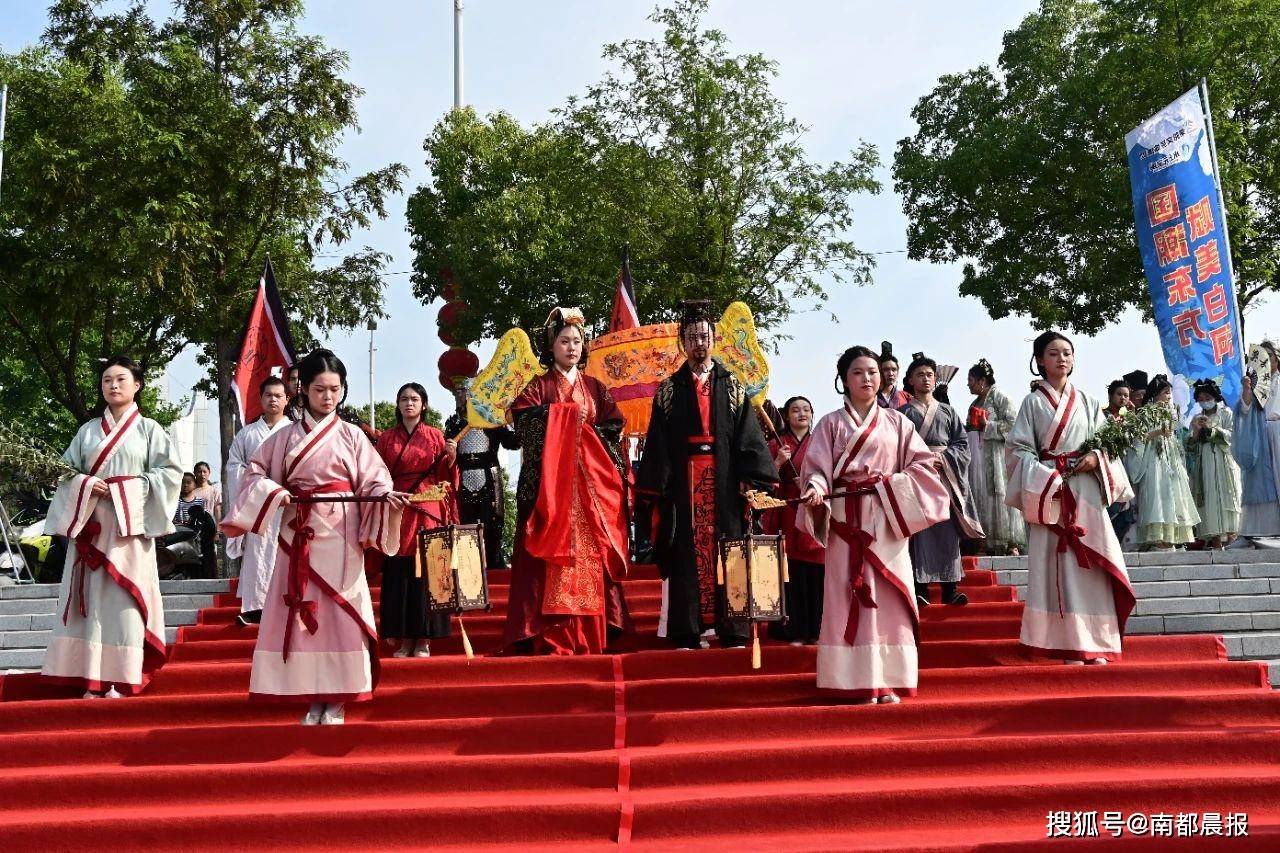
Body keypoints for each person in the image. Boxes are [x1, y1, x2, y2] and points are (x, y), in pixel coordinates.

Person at [222, 348, 409, 725]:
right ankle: (312, 695)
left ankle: (338, 696)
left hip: (341, 534)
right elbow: (253, 474)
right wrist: (275, 492)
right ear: (303, 390)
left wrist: (384, 496)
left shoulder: (353, 435)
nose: (328, 397)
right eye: (320, 389)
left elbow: (374, 479)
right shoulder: (284, 437)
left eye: (335, 390)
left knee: (341, 613)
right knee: (302, 612)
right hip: (297, 532)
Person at [799, 345, 949, 703]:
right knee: (846, 594)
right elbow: (816, 469)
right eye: (857, 372)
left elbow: (922, 465)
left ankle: (889, 678)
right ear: (843, 380)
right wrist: (816, 489)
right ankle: (851, 679)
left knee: (888, 597)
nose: (866, 378)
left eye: (872, 372)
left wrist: (892, 484)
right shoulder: (829, 423)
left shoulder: (898, 422)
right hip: (845, 518)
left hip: (886, 516)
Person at [635, 300, 779, 650]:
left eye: (704, 336)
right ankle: (687, 630)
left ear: (714, 339)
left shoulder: (733, 386)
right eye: (692, 337)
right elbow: (659, 443)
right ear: (682, 342)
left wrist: (750, 479)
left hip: (725, 479)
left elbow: (747, 436)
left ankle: (733, 629)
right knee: (686, 551)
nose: (699, 343)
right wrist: (659, 487)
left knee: (729, 546)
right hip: (684, 482)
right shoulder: (669, 389)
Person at [40, 356, 183, 697]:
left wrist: (124, 490)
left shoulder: (150, 430)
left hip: (128, 529)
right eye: (107, 380)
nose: (113, 385)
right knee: (89, 601)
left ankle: (121, 676)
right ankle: (87, 677)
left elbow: (170, 475)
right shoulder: (87, 431)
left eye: (121, 379)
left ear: (137, 385)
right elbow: (65, 472)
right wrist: (87, 485)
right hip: (91, 524)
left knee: (124, 602)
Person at [503, 308, 632, 655]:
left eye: (576, 341)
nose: (571, 347)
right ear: (552, 346)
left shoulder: (595, 388)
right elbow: (523, 421)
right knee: (550, 562)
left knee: (590, 558)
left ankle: (592, 632)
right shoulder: (539, 386)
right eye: (564, 341)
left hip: (590, 491)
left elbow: (613, 427)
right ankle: (551, 634)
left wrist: (584, 432)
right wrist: (569, 418)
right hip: (552, 490)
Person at [1006, 331, 1135, 665]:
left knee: (1092, 561)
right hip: (1049, 489)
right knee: (1056, 564)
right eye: (1052, 353)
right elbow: (1018, 449)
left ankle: (1096, 641)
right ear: (1039, 361)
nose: (1061, 358)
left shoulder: (1088, 402)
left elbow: (1106, 442)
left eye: (1067, 352)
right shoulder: (1032, 403)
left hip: (1085, 487)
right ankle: (1063, 643)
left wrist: (1096, 456)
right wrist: (1045, 474)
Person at [374, 382, 458, 658]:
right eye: (404, 399)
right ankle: (404, 639)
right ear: (397, 405)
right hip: (398, 503)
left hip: (429, 504)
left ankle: (424, 639)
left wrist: (452, 458)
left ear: (424, 404)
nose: (409, 403)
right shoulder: (386, 438)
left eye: (414, 399)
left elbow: (445, 477)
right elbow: (378, 473)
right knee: (399, 569)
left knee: (428, 570)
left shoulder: (435, 435)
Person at [899, 353, 984, 607]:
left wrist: (944, 459)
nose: (925, 379)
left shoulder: (948, 411)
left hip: (945, 477)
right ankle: (921, 588)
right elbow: (897, 447)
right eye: (920, 375)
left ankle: (950, 589)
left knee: (947, 531)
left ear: (935, 379)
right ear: (910, 380)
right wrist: (921, 461)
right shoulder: (901, 414)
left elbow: (962, 444)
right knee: (920, 531)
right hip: (917, 478)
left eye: (929, 375)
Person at [224, 376, 292, 625]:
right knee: (258, 554)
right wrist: (258, 483)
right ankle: (255, 609)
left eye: (278, 395)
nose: (273, 400)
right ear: (261, 399)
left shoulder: (295, 431)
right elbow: (234, 466)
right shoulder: (247, 434)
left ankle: (286, 607)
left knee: (286, 552)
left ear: (287, 399)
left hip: (286, 505)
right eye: (268, 395)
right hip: (258, 504)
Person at [761, 395, 825, 645]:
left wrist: (811, 484)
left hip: (814, 508)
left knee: (817, 572)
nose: (801, 414)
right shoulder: (776, 444)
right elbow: (763, 480)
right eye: (795, 410)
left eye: (806, 409)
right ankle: (792, 629)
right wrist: (778, 462)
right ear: (786, 416)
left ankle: (816, 630)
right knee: (791, 571)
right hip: (787, 510)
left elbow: (830, 473)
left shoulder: (821, 442)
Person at [444, 381, 519, 570]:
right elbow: (445, 457)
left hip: (490, 478)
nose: (460, 395)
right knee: (466, 528)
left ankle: (495, 565)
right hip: (463, 480)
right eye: (458, 392)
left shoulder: (491, 419)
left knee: (493, 526)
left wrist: (512, 417)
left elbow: (513, 443)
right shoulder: (453, 424)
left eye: (464, 391)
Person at [1126, 375, 1199, 551]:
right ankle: (1157, 539)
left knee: (1172, 495)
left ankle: (1170, 538)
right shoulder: (1145, 413)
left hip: (1171, 458)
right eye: (1166, 392)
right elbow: (1139, 438)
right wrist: (1158, 432)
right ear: (1156, 394)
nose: (1169, 396)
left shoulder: (1171, 413)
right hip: (1153, 459)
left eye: (1170, 393)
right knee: (1156, 494)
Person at [964, 359, 1026, 556]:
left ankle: (1009, 542)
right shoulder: (974, 403)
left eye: (971, 380)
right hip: (978, 458)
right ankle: (985, 541)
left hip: (998, 457)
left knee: (1000, 493)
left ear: (982, 381)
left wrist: (988, 426)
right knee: (981, 494)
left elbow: (1014, 426)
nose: (968, 384)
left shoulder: (1000, 397)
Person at [1184, 379, 1241, 549]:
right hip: (1205, 464)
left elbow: (1233, 435)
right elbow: (1189, 445)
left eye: (1207, 397)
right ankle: (1215, 542)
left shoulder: (1226, 413)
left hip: (1224, 462)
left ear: (1215, 397)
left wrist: (1212, 430)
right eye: (1201, 399)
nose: (1204, 401)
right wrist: (1196, 431)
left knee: (1228, 497)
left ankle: (1232, 539)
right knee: (1209, 499)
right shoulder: (1196, 418)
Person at [1233, 348, 1280, 543]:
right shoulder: (1254, 384)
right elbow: (1244, 410)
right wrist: (1246, 389)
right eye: (1263, 356)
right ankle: (1250, 532)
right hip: (1259, 436)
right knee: (1257, 484)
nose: (1266, 360)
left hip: (1279, 433)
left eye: (1270, 356)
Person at [1102, 380, 1138, 545]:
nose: (1123, 398)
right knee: (1112, 506)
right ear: (1110, 396)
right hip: (1107, 466)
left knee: (1126, 511)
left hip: (1124, 466)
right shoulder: (1102, 416)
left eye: (1126, 395)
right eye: (1119, 394)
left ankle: (1115, 545)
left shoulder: (1127, 418)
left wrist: (1132, 416)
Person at [876, 342, 912, 410]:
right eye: (886, 370)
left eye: (894, 369)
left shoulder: (906, 397)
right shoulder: (870, 396)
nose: (890, 373)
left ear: (898, 372)